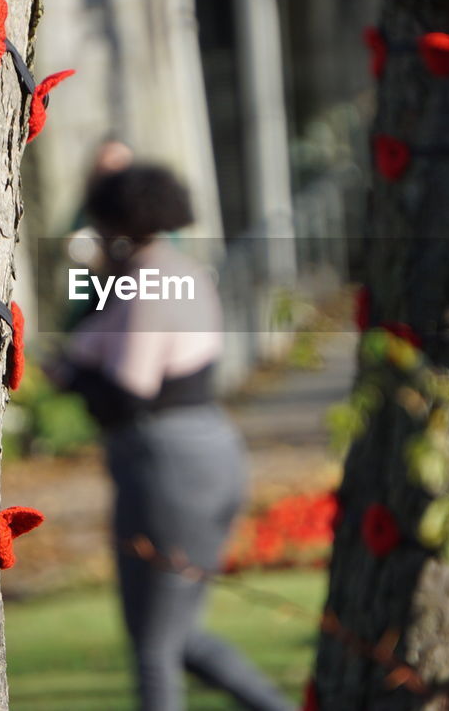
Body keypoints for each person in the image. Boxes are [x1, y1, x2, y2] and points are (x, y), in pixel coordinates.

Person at [47, 164, 292, 711]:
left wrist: (65, 375)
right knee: (180, 637)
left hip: (165, 462)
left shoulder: (144, 281)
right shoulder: (185, 270)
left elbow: (130, 389)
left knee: (154, 645)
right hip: (211, 448)